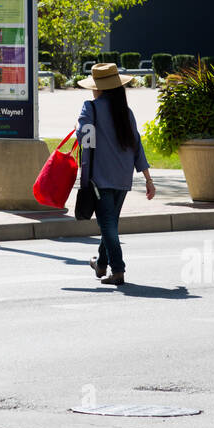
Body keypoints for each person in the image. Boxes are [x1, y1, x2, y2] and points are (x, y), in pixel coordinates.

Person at [77, 63, 156, 286]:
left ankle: (118, 270)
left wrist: (81, 126)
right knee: (109, 223)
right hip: (123, 177)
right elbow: (137, 146)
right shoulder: (126, 112)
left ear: (99, 88)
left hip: (99, 178)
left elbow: (84, 137)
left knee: (108, 225)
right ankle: (101, 264)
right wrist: (148, 179)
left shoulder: (90, 108)